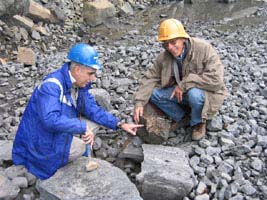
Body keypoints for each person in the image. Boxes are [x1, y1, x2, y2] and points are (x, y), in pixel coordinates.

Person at [12, 43, 143, 180]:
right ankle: (59, 161)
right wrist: (81, 127)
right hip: (40, 143)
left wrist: (119, 124)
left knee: (94, 123)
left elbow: (92, 109)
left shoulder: (79, 85)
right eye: (90, 73)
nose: (93, 78)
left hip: (55, 130)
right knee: (81, 147)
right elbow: (49, 119)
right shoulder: (52, 86)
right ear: (78, 69)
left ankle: (77, 139)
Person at [134, 19, 227, 141]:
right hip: (180, 93)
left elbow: (217, 80)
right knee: (153, 94)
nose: (170, 48)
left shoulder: (204, 49)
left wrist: (184, 84)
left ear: (183, 38)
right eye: (166, 44)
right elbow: (150, 77)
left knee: (194, 94)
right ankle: (183, 117)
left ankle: (198, 122)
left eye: (173, 42)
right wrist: (139, 102)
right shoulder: (164, 57)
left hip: (206, 94)